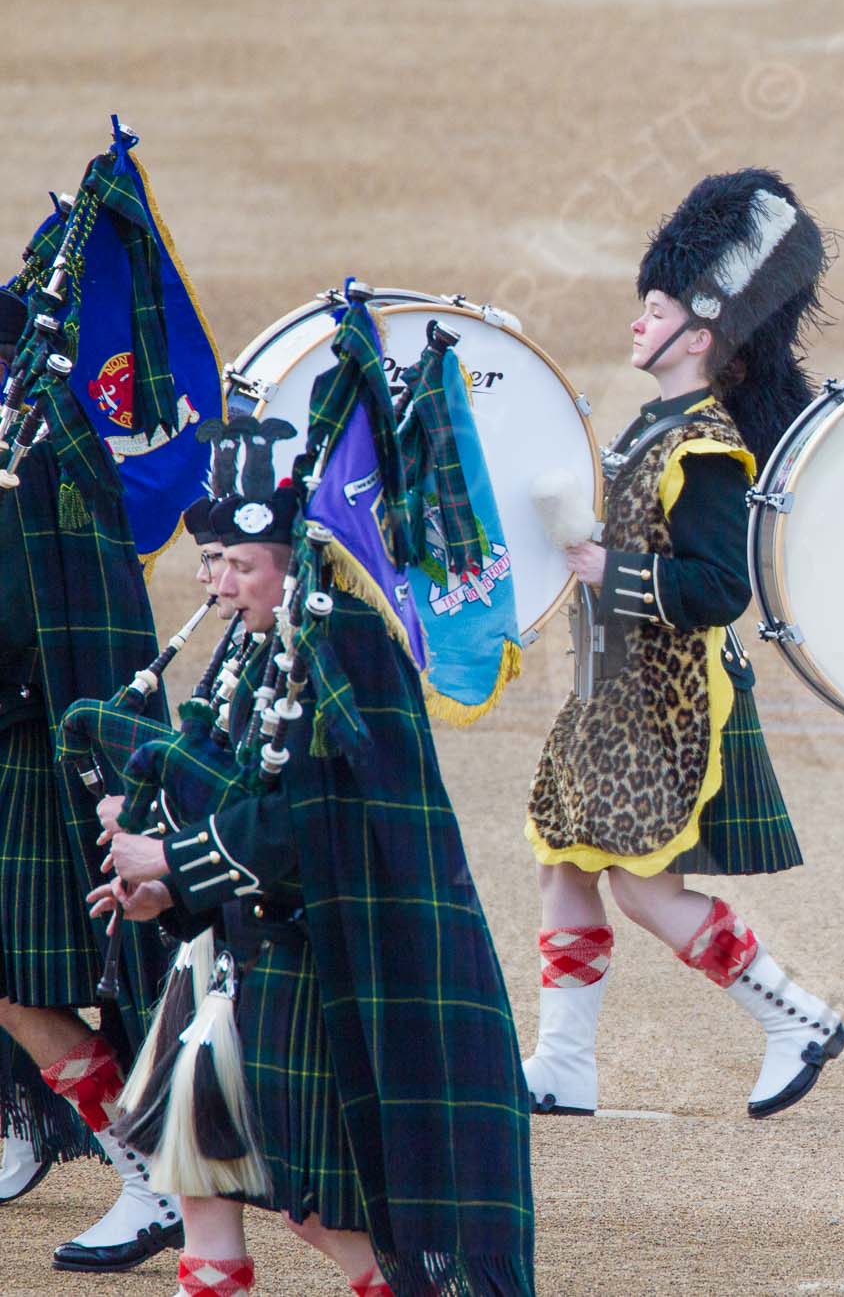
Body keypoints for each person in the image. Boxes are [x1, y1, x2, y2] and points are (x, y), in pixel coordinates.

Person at [97, 416, 536, 1296]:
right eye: (213, 561)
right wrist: (164, 879)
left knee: (315, 1203)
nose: (218, 582)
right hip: (240, 940)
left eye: (238, 563)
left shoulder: (343, 647)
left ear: (294, 557)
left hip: (329, 949)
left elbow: (313, 821)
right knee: (198, 1165)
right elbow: (236, 779)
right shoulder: (261, 634)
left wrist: (177, 861)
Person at [522, 169, 844, 1121]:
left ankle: (795, 1016)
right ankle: (564, 1063)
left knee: (637, 883)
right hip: (611, 695)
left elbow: (718, 589)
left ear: (700, 335)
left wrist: (601, 568)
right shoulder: (651, 429)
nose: (637, 321)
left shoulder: (704, 445)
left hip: (671, 696)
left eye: (655, 308)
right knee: (567, 862)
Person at [0, 282, 183, 1271]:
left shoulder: (42, 447)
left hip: (33, 750)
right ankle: (60, 1136)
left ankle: (147, 1177)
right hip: (19, 743)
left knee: (23, 989)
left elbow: (34, 621)